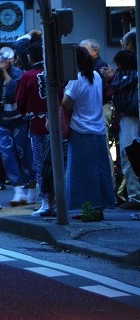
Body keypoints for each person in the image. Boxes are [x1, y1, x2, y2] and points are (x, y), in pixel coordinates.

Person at [0, 46, 34, 206]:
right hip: (3, 120)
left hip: (19, 120)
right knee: (7, 155)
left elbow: (15, 90)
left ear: (12, 59)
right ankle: (18, 191)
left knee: (24, 155)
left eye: (1, 55)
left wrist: (4, 72)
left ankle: (31, 189)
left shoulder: (17, 73)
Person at [62, 46, 114, 211]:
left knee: (79, 173)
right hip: (98, 129)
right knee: (98, 171)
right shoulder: (97, 76)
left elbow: (66, 103)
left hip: (80, 130)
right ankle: (100, 204)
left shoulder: (76, 80)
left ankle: (82, 207)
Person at [15, 42, 55, 217]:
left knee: (40, 163)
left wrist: (29, 113)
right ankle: (60, 200)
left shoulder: (28, 76)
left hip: (38, 124)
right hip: (58, 122)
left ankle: (47, 202)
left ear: (30, 58)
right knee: (60, 163)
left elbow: (20, 103)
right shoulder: (54, 72)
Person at [110, 49, 140, 211]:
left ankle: (135, 197)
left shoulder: (121, 78)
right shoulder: (136, 75)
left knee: (129, 156)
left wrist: (123, 111)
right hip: (133, 118)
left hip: (129, 120)